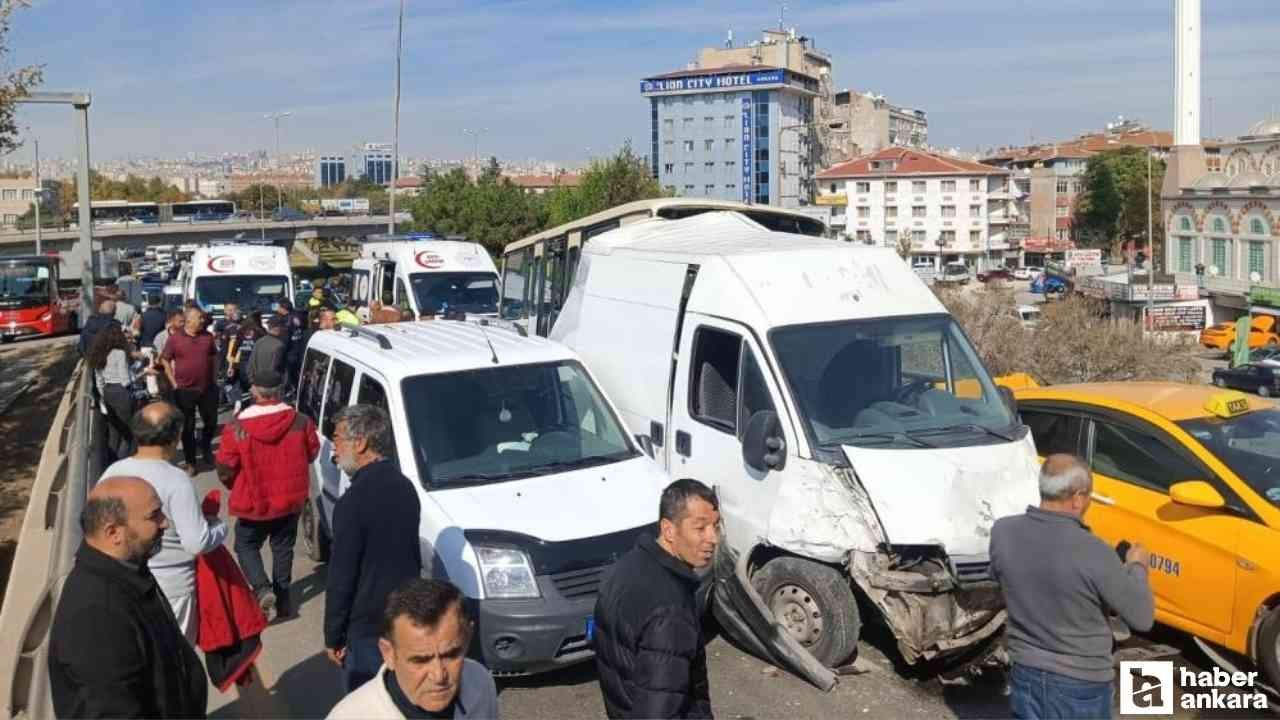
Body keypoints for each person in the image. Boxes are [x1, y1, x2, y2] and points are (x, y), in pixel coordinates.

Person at [990, 454, 1155, 720]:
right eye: (1089, 495)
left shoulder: (1002, 532)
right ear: (1077, 498)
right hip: (1081, 684)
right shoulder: (1095, 551)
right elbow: (1142, 617)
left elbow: (1001, 578)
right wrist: (1137, 567)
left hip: (1025, 673)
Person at [48, 476, 208, 718]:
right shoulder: (96, 617)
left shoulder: (129, 570)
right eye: (154, 515)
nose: (165, 523)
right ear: (113, 533)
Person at [593, 479, 719, 719]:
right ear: (669, 530)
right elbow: (659, 709)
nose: (713, 538)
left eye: (716, 526)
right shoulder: (671, 611)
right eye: (700, 528)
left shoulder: (625, 566)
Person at [103, 401, 228, 641]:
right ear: (176, 437)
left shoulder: (113, 472)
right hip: (172, 586)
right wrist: (219, 527)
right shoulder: (176, 480)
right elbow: (197, 543)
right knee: (176, 659)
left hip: (123, 582)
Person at [324, 404, 422, 693]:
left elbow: (341, 577)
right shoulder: (405, 487)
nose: (334, 448)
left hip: (366, 630)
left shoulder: (352, 503)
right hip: (403, 619)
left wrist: (333, 636)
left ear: (361, 442)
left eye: (338, 438)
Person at [215, 367, 320, 620]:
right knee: (283, 548)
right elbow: (312, 452)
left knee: (246, 545)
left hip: (254, 502)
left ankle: (262, 590)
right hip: (290, 501)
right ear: (278, 391)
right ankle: (284, 601)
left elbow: (225, 466)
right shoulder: (300, 420)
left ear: (254, 391)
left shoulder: (237, 426)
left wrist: (233, 485)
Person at [327, 578, 499, 719]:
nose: (438, 676)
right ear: (388, 654)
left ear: (467, 638)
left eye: (451, 655)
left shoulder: (480, 683)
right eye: (420, 660)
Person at [162, 307, 219, 474]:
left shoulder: (208, 337)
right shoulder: (175, 338)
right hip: (185, 390)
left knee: (211, 421)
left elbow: (214, 357)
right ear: (188, 321)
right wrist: (173, 383)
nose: (203, 321)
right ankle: (191, 462)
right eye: (199, 318)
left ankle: (206, 446)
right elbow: (165, 360)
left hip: (207, 388)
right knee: (187, 427)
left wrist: (214, 379)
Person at [249, 313, 289, 387]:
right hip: (271, 386)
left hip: (257, 384)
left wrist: (252, 382)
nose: (284, 330)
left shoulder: (259, 342)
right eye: (283, 327)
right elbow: (276, 367)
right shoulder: (279, 345)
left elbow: (250, 365)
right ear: (278, 328)